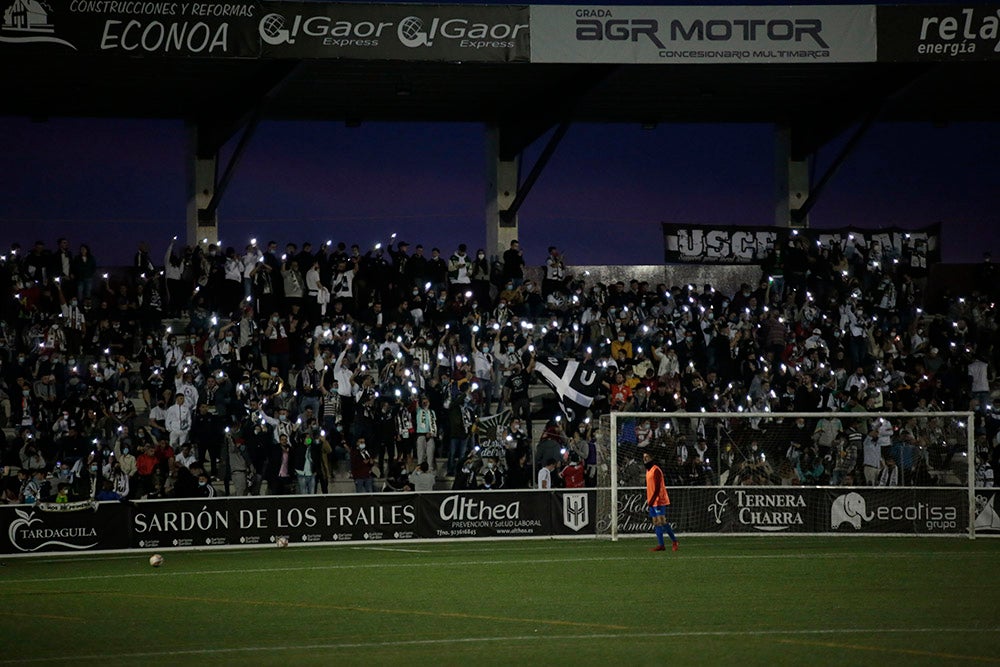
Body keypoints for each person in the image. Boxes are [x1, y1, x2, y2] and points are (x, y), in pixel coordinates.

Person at [643, 451, 678, 552]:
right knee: (655, 522)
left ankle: (674, 541)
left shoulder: (656, 470)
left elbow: (658, 488)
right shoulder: (648, 470)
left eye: (647, 457)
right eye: (644, 457)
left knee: (662, 521)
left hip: (659, 500)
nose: (645, 459)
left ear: (651, 458)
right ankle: (661, 545)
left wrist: (653, 499)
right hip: (652, 500)